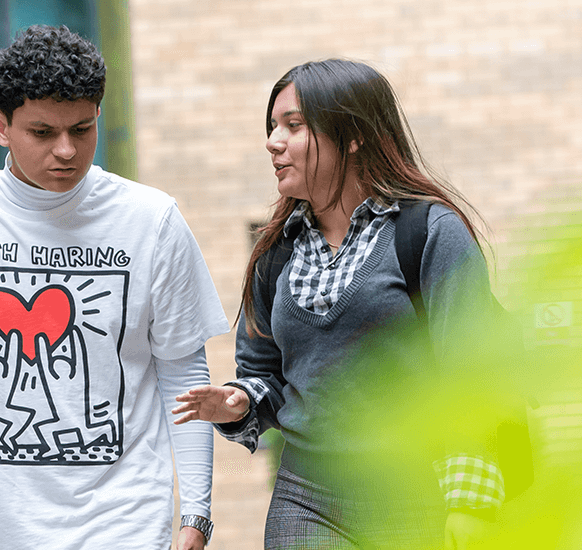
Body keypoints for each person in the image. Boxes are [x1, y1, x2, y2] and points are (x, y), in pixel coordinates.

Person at [0, 25, 227, 550]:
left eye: (83, 129)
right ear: (0, 127)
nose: (66, 151)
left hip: (125, 524)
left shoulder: (150, 220)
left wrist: (197, 515)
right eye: (42, 133)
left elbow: (184, 372)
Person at [173, 59, 510, 549]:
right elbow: (265, 373)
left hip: (415, 491)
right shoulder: (276, 252)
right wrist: (239, 400)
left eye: (293, 125)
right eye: (272, 127)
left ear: (351, 136)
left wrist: (468, 502)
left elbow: (476, 371)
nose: (273, 141)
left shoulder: (428, 231)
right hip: (304, 494)